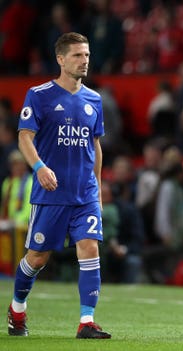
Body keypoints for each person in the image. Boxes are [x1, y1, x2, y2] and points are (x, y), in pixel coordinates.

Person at [7, 32, 111, 338]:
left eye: (87, 55)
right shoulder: (39, 95)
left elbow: (96, 146)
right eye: (78, 55)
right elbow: (24, 136)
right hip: (51, 194)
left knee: (90, 248)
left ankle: (86, 322)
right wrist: (38, 167)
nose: (85, 61)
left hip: (85, 194)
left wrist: (99, 188)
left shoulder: (94, 99)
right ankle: (17, 309)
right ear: (61, 59)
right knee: (37, 258)